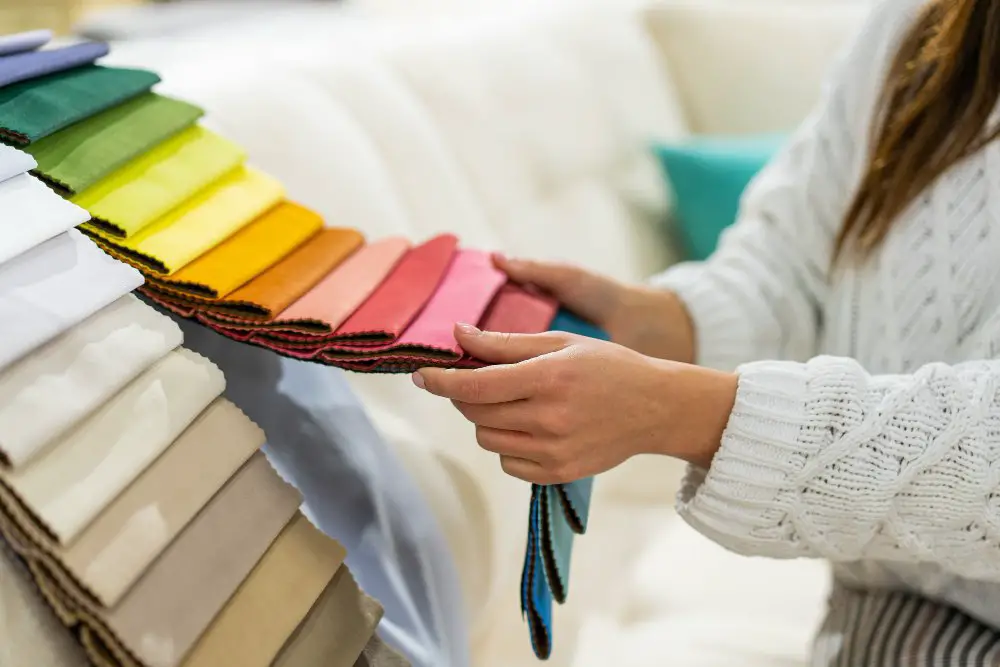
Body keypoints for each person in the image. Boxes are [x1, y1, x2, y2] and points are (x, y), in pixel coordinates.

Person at [410, 0, 1000, 663]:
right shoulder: (922, 23)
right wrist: (653, 322)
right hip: (872, 628)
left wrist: (679, 411)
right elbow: (795, 259)